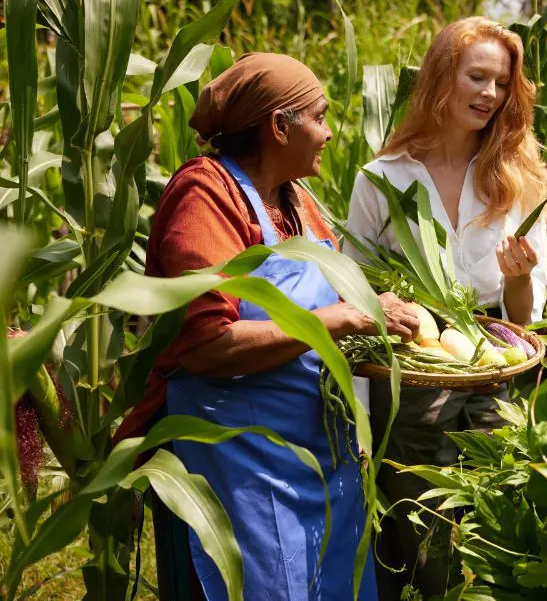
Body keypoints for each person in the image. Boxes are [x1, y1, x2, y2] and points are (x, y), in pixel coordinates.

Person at [115, 52, 420, 600]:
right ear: (280, 127)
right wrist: (336, 318)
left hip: (318, 458)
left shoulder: (297, 200)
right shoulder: (206, 195)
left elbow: (329, 299)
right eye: (320, 117)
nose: (330, 133)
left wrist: (373, 306)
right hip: (237, 464)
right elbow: (205, 346)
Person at [343, 16, 547, 597]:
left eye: (502, 84)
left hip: (495, 380)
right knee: (416, 540)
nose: (490, 95)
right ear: (443, 76)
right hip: (410, 386)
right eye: (477, 77)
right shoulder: (382, 178)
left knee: (491, 536)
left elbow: (522, 320)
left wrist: (518, 278)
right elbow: (352, 295)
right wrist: (362, 426)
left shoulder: (518, 180)